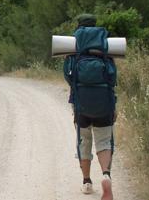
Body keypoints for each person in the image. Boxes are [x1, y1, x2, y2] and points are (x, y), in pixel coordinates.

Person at [64, 14, 116, 200]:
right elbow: (112, 78)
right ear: (95, 24)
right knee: (103, 141)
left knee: (84, 141)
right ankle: (106, 175)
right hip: (104, 102)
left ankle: (86, 182)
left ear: (78, 25)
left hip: (81, 103)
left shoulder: (73, 46)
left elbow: (68, 76)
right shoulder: (104, 45)